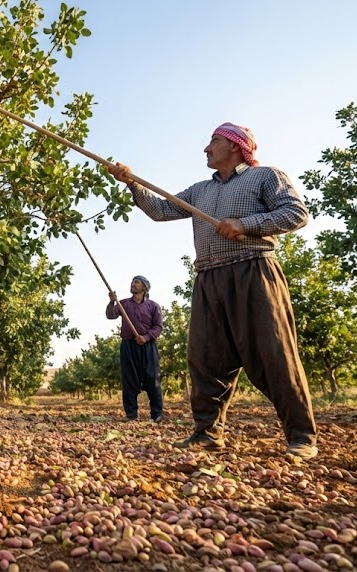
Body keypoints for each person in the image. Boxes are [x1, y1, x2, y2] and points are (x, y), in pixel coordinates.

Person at [107, 122, 319, 459]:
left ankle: (301, 436)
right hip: (208, 277)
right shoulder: (199, 190)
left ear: (236, 146)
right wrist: (131, 182)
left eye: (214, 142)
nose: (206, 149)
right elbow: (161, 211)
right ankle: (207, 432)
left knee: (274, 353)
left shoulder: (264, 177)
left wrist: (246, 224)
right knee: (205, 356)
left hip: (253, 270)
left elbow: (297, 213)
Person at [106, 275, 164, 422]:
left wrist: (146, 337)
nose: (133, 284)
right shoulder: (123, 303)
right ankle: (131, 414)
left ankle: (157, 414)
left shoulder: (153, 306)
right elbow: (111, 316)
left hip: (147, 345)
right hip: (128, 346)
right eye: (132, 282)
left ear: (144, 287)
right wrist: (112, 302)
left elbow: (158, 327)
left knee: (152, 378)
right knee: (129, 379)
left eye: (136, 282)